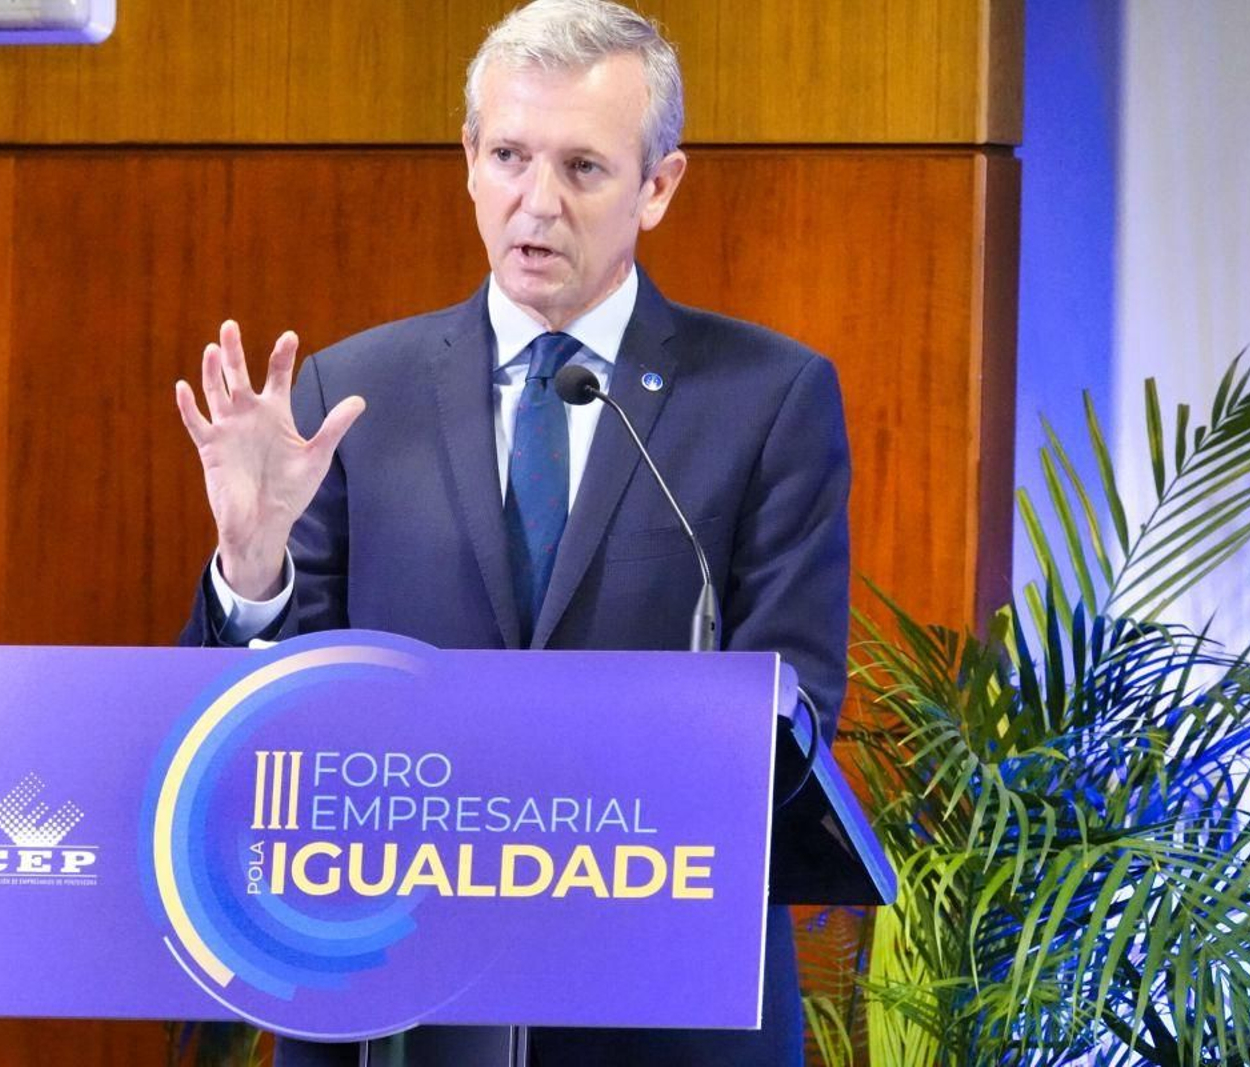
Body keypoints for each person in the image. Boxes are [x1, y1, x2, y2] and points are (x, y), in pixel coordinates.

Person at [175, 1, 850, 1063]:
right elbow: (250, 728)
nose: (536, 202)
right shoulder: (351, 391)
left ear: (657, 186)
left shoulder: (766, 397)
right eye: (508, 156)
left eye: (583, 167)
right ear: (468, 161)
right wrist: (248, 566)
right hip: (394, 1004)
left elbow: (799, 708)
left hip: (662, 1000)